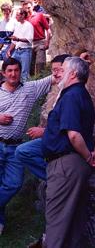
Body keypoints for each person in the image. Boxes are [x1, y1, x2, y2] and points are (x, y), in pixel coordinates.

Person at [42, 56, 95, 248]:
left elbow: (74, 135)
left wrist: (88, 156)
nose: (58, 73)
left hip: (66, 165)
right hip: (73, 164)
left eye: (63, 69)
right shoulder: (80, 94)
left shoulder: (71, 96)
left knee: (56, 224)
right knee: (74, 223)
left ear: (73, 74)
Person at [0, 57, 54, 235]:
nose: (13, 74)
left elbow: (55, 76)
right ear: (3, 73)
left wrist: (80, 59)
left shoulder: (30, 89)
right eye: (9, 71)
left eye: (16, 70)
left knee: (13, 184)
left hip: (15, 146)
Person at [15, 54, 71, 181]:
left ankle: (55, 179)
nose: (55, 74)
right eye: (53, 70)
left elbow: (70, 127)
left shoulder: (71, 94)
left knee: (23, 151)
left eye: (59, 70)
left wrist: (43, 131)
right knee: (22, 152)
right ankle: (54, 178)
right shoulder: (63, 90)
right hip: (54, 138)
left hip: (60, 142)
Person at [22, 0, 51, 74]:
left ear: (32, 6)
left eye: (29, 7)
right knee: (30, 66)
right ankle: (31, 82)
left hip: (40, 42)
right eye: (25, 8)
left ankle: (41, 81)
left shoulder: (39, 15)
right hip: (28, 44)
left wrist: (47, 42)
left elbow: (48, 30)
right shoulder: (24, 19)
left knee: (40, 65)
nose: (27, 10)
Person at [7, 8, 34, 82]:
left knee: (24, 72)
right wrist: (9, 50)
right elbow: (14, 40)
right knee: (13, 68)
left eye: (17, 15)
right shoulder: (17, 25)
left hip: (25, 51)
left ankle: (26, 90)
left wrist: (18, 39)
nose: (16, 16)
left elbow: (29, 39)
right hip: (17, 50)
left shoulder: (29, 25)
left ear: (23, 15)